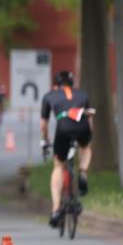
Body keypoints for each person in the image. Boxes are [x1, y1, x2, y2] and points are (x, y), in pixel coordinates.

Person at [40, 70, 93, 227]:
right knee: (86, 148)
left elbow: (43, 125)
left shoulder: (49, 96)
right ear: (72, 83)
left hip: (63, 126)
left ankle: (56, 209)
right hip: (83, 124)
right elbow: (90, 118)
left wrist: (45, 139)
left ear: (55, 85)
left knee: (58, 164)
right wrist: (89, 137)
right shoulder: (83, 95)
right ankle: (83, 172)